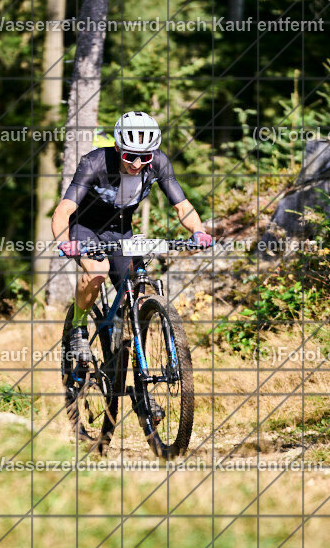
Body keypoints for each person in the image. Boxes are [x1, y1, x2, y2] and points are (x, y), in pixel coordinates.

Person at [51, 111, 212, 364]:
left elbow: (182, 206)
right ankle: (78, 329)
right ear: (117, 148)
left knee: (136, 293)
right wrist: (64, 241)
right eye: (130, 156)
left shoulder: (159, 163)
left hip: (121, 231)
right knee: (97, 272)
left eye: (144, 157)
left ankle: (127, 359)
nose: (137, 164)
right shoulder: (94, 163)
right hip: (85, 228)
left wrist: (198, 232)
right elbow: (64, 210)